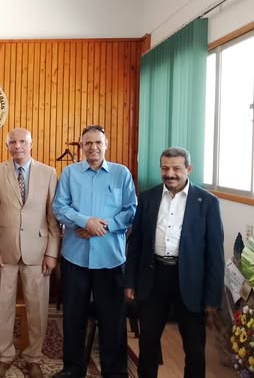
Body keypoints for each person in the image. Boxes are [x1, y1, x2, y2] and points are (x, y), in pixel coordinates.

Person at [124, 147, 224, 378]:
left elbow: (215, 254)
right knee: (148, 343)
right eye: (165, 168)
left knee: (195, 348)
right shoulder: (147, 197)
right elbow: (136, 242)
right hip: (153, 278)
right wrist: (129, 281)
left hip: (190, 281)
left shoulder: (208, 202)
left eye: (176, 168)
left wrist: (212, 298)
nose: (170, 174)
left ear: (189, 169)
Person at [53, 125, 136, 378]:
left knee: (113, 319)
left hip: (110, 258)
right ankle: (73, 369)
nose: (93, 147)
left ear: (106, 144)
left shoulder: (121, 173)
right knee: (73, 317)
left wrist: (103, 226)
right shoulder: (70, 173)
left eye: (98, 142)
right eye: (88, 143)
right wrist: (85, 221)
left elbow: (131, 210)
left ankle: (115, 372)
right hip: (75, 257)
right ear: (81, 146)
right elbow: (59, 207)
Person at [0, 127, 59, 378]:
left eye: (22, 142)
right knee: (3, 307)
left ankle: (33, 357)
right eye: (12, 142)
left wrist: (52, 253)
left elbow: (53, 217)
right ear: (7, 146)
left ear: (31, 144)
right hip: (4, 252)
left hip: (38, 252)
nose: (17, 146)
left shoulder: (49, 173)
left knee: (37, 309)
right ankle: (4, 356)